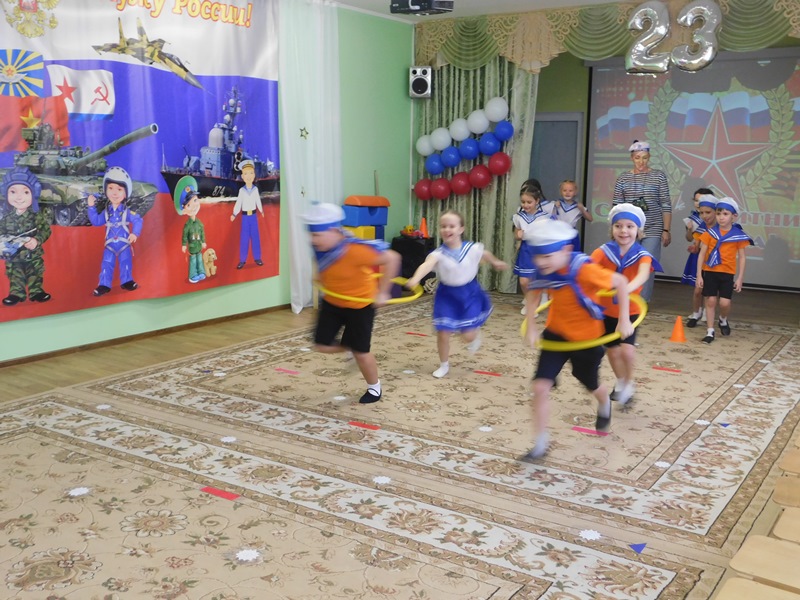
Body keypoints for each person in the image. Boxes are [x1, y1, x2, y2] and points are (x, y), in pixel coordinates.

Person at [522, 219, 633, 459]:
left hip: (587, 340)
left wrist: (624, 320)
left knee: (589, 382)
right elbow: (532, 294)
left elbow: (620, 282)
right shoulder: (545, 269)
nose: (541, 262)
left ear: (566, 250)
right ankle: (540, 445)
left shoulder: (584, 269)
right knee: (539, 387)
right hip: (556, 336)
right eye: (537, 257)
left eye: (547, 256)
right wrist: (531, 326)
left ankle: (604, 403)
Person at [304, 202, 400, 403]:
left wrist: (383, 292)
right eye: (311, 235)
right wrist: (319, 276)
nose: (313, 240)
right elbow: (324, 265)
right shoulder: (320, 247)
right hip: (332, 302)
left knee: (362, 353)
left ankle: (374, 388)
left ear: (334, 231)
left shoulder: (356, 250)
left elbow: (393, 258)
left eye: (317, 235)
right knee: (321, 344)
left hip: (360, 305)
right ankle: (349, 347)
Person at [405, 210, 507, 379]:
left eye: (451, 226)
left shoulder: (471, 248)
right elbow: (426, 265)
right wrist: (415, 278)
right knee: (443, 332)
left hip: (469, 294)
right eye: (443, 226)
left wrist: (495, 262)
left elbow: (485, 254)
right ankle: (444, 365)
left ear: (461, 229)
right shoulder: (438, 254)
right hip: (446, 296)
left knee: (467, 337)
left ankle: (473, 335)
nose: (447, 229)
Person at [590, 203, 661, 405]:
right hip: (606, 310)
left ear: (638, 230)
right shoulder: (603, 252)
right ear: (612, 229)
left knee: (627, 351)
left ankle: (629, 383)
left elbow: (643, 275)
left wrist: (626, 288)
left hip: (630, 310)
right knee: (613, 351)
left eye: (630, 226)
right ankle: (621, 381)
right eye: (618, 226)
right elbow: (587, 270)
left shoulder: (643, 255)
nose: (624, 231)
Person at [612, 140, 672, 302]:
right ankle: (627, 299)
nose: (641, 161)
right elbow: (616, 206)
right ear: (632, 158)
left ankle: (641, 302)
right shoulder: (623, 178)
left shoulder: (658, 176)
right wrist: (616, 230)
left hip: (653, 227)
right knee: (628, 263)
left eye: (644, 157)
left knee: (647, 264)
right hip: (629, 228)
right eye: (637, 157)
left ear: (649, 157)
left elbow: (666, 204)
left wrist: (666, 230)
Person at [695, 197, 752, 344]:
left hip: (727, 273)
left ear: (734, 216)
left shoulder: (738, 235)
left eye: (725, 214)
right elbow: (701, 254)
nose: (721, 217)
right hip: (710, 271)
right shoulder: (710, 233)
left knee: (724, 303)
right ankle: (710, 331)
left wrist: (740, 278)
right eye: (719, 213)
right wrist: (699, 275)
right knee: (710, 301)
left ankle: (723, 319)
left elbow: (742, 257)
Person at [0, 167, 52, 306]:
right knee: (15, 274)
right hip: (14, 255)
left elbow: (45, 230)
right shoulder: (6, 218)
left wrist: (37, 240)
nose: (19, 197)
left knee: (35, 272)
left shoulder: (36, 216)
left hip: (32, 254)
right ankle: (16, 294)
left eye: (25, 192)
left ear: (33, 193)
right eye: (13, 192)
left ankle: (36, 292)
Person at [87, 166, 142, 296]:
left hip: (124, 244)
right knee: (106, 264)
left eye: (119, 189)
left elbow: (138, 220)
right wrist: (91, 207)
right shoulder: (107, 212)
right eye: (110, 188)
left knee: (126, 262)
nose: (114, 193)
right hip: (110, 245)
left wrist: (135, 233)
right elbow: (96, 221)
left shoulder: (127, 211)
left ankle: (127, 281)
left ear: (125, 193)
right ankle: (104, 284)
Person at [512, 180, 554, 315]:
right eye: (523, 202)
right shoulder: (519, 217)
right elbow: (516, 233)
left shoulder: (545, 217)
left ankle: (534, 304)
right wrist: (518, 235)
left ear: (537, 201)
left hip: (539, 251)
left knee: (536, 280)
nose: (525, 205)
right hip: (525, 251)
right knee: (524, 281)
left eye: (529, 202)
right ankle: (530, 300)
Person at [681, 190, 716, 327]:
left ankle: (708, 313)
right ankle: (696, 313)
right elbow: (694, 240)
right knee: (697, 289)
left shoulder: (717, 223)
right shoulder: (695, 220)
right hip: (699, 257)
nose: (698, 203)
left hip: (712, 259)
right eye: (696, 200)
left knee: (709, 289)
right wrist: (695, 246)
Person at [230, 159, 263, 269]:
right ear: (242, 176)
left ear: (254, 175)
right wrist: (234, 214)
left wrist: (261, 210)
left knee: (255, 237)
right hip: (245, 217)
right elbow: (239, 203)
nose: (249, 176)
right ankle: (242, 260)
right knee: (244, 238)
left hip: (253, 216)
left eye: (251, 173)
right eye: (246, 174)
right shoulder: (242, 191)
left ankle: (257, 258)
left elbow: (258, 201)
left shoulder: (255, 190)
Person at [179, 181, 207, 283]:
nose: (194, 205)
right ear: (184, 210)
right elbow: (185, 235)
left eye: (195, 200)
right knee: (193, 260)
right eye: (189, 205)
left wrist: (203, 242)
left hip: (198, 245)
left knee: (199, 259)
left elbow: (202, 232)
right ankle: (193, 275)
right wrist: (183, 245)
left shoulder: (199, 223)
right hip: (192, 246)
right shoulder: (187, 225)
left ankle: (201, 272)